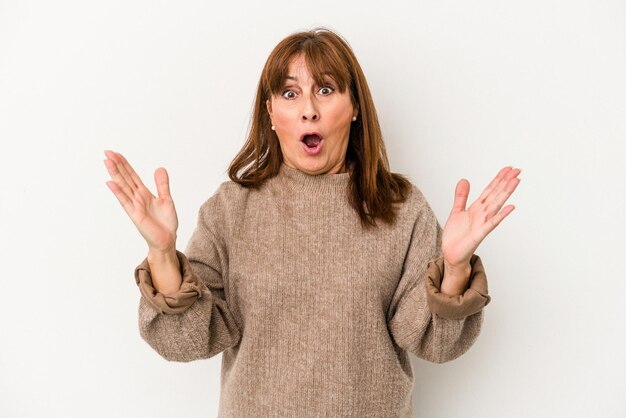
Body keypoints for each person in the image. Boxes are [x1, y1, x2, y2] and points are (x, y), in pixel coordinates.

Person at [104, 27, 520, 417]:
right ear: (270, 112)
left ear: (355, 106)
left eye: (325, 89)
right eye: (289, 93)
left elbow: (436, 343)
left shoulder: (401, 209)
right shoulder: (231, 209)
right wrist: (162, 254)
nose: (308, 110)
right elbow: (186, 341)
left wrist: (455, 268)